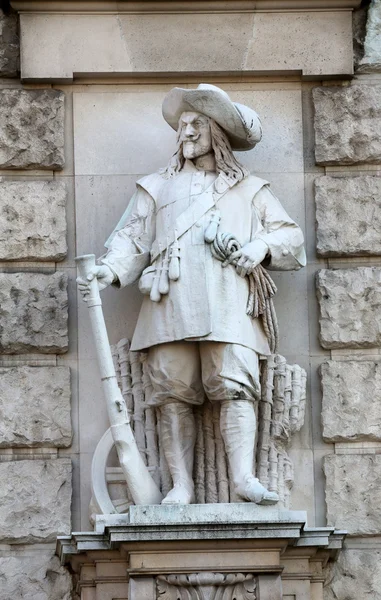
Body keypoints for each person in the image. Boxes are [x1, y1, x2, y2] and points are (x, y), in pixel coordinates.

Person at [78, 84, 306, 506]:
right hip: (169, 302)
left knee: (235, 384)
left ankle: (242, 477)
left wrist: (258, 248)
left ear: (217, 132)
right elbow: (131, 238)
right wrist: (107, 269)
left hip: (227, 303)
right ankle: (180, 486)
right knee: (171, 390)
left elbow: (290, 236)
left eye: (196, 125)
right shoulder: (155, 187)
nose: (185, 133)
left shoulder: (251, 189)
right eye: (182, 126)